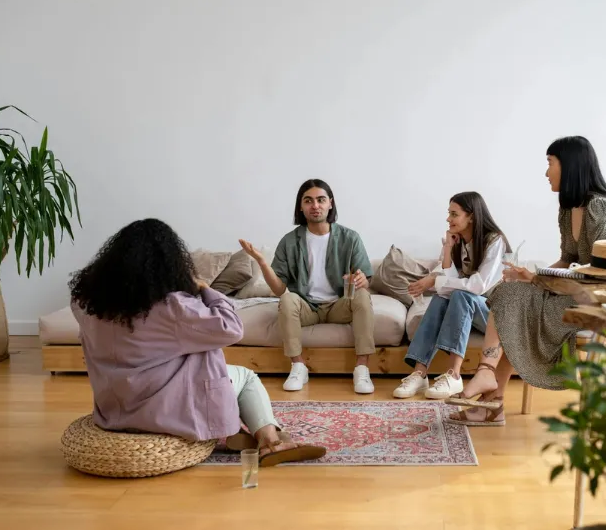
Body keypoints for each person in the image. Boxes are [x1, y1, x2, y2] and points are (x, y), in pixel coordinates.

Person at [69, 218, 325, 466]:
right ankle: (271, 440)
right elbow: (231, 328)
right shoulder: (172, 308)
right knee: (244, 377)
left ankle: (240, 431)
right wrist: (204, 288)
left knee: (187, 353)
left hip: (114, 406)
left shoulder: (85, 305)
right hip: (165, 409)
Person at [445, 136, 606, 426]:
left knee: (514, 306)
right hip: (571, 292)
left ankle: (491, 395)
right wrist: (531, 277)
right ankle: (489, 387)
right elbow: (568, 258)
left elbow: (599, 270)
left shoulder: (599, 209)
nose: (546, 172)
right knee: (507, 293)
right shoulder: (568, 210)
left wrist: (537, 279)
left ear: (570, 166)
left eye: (550, 163)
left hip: (594, 299)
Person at [238, 179, 375, 394]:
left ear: (330, 203)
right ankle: (298, 366)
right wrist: (262, 262)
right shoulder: (290, 241)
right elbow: (279, 289)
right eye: (308, 201)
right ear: (301, 207)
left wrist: (362, 281)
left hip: (340, 305)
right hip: (307, 307)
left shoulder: (350, 238)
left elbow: (366, 277)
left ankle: (362, 369)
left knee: (363, 296)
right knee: (286, 299)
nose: (315, 205)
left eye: (321, 200)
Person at [393, 192, 510, 400]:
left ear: (471, 216)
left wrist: (437, 282)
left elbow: (478, 286)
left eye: (454, 214)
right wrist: (448, 248)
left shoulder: (495, 241)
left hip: (497, 317)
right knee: (442, 298)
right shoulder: (460, 242)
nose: (448, 219)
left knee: (461, 296)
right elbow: (448, 282)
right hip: (471, 309)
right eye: (449, 214)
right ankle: (420, 373)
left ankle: (454, 375)